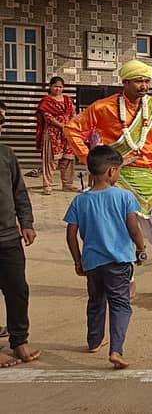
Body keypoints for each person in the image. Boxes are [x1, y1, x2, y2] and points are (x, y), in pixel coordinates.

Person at [64, 59, 152, 299]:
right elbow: (71, 128)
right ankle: (128, 282)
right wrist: (91, 160)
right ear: (125, 82)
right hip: (118, 181)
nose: (144, 86)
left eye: (147, 81)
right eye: (138, 81)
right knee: (125, 236)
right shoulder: (103, 108)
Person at [64, 146, 146, 369]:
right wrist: (141, 248)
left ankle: (94, 341)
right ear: (111, 171)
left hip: (92, 263)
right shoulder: (124, 196)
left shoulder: (80, 201)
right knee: (120, 304)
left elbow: (71, 234)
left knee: (96, 301)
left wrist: (77, 259)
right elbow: (134, 227)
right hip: (118, 262)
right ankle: (116, 350)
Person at [0, 100, 41, 367]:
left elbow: (19, 192)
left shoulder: (6, 154)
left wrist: (26, 222)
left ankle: (19, 341)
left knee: (17, 290)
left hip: (7, 237)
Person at [35, 76, 77, 194]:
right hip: (53, 133)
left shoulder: (68, 100)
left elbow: (73, 113)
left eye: (60, 87)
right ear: (50, 87)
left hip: (67, 133)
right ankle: (47, 185)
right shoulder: (46, 101)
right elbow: (47, 117)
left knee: (68, 159)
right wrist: (61, 125)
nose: (58, 89)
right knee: (50, 160)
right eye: (56, 86)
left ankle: (67, 184)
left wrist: (71, 125)